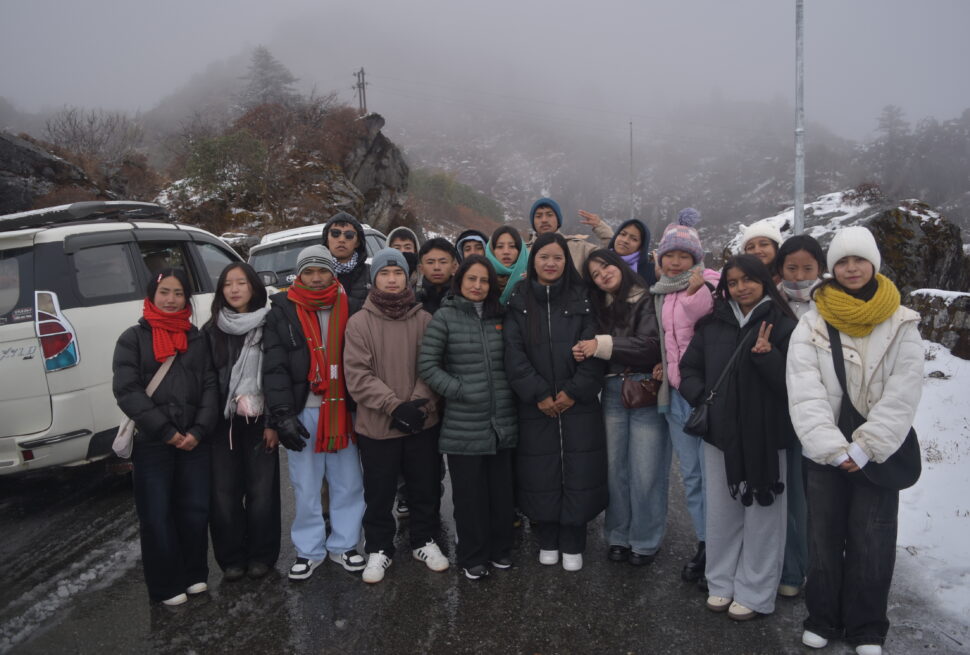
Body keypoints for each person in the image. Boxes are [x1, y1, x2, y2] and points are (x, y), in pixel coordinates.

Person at [787, 226, 922, 655]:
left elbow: (905, 390)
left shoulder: (902, 321)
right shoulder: (812, 321)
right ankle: (822, 618)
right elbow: (803, 388)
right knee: (823, 538)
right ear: (832, 269)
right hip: (825, 450)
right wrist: (831, 447)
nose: (850, 268)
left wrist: (867, 447)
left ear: (873, 263)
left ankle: (867, 627)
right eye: (842, 261)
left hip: (879, 448)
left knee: (872, 539)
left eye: (858, 259)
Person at [679, 255, 797, 621]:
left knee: (763, 514)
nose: (741, 287)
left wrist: (768, 358)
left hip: (765, 436)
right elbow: (689, 369)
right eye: (733, 281)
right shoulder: (712, 324)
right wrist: (705, 399)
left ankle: (756, 592)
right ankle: (721, 583)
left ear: (764, 280)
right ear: (724, 286)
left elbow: (794, 385)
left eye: (749, 279)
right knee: (722, 511)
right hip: (721, 433)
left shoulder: (784, 325)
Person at [112, 268, 218, 605]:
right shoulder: (132, 338)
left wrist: (199, 430)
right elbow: (127, 391)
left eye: (178, 293)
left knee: (195, 509)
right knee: (156, 514)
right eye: (165, 293)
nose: (171, 300)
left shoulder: (197, 337)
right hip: (154, 441)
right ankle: (166, 584)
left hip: (194, 441)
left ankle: (194, 575)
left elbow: (210, 386)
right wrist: (168, 431)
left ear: (187, 298)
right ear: (152, 296)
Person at [344, 248, 449, 583]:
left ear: (408, 276)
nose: (392, 280)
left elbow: (434, 367)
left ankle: (425, 540)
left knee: (425, 487)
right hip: (378, 426)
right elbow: (358, 376)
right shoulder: (359, 322)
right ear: (374, 279)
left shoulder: (424, 320)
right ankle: (379, 548)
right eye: (385, 274)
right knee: (378, 491)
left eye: (398, 273)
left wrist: (417, 405)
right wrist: (394, 406)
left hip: (421, 422)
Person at [504, 232, 607, 571]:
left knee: (580, 467)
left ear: (566, 261)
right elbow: (513, 354)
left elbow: (594, 351)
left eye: (558, 257)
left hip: (577, 403)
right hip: (536, 404)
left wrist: (573, 392)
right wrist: (539, 394)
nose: (550, 263)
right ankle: (547, 536)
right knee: (539, 468)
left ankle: (574, 538)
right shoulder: (519, 298)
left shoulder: (583, 297)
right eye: (544, 257)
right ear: (533, 261)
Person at [263, 246, 366, 581]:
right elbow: (274, 366)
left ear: (332, 272)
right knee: (305, 484)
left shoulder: (351, 304)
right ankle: (309, 550)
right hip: (303, 409)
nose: (317, 277)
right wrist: (282, 415)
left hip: (341, 408)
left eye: (322, 270)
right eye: (309, 272)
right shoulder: (282, 309)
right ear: (299, 274)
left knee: (347, 481)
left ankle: (346, 545)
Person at [418, 255, 518, 580]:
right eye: (471, 279)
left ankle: (501, 549)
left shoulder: (500, 316)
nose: (477, 286)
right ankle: (472, 556)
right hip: (463, 423)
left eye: (484, 280)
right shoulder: (445, 317)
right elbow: (428, 365)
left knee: (502, 494)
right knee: (470, 497)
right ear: (459, 281)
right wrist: (458, 388)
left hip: (501, 420)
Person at [573, 249, 663, 566]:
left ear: (620, 264)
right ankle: (618, 536)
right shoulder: (599, 307)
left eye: (605, 267)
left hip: (644, 388)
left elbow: (651, 345)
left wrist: (603, 345)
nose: (603, 275)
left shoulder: (645, 297)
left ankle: (645, 540)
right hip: (612, 388)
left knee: (646, 469)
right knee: (615, 470)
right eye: (595, 275)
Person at [649, 211, 719, 585]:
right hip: (676, 394)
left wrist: (693, 291)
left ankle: (722, 545)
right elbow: (667, 341)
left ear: (696, 258)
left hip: (705, 395)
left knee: (713, 476)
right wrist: (662, 365)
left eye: (683, 255)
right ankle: (706, 543)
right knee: (691, 476)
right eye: (669, 255)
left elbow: (701, 317)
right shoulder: (660, 292)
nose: (676, 262)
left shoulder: (709, 284)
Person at [204, 262, 280, 582]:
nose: (234, 289)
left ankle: (262, 555)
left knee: (263, 491)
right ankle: (231, 557)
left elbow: (279, 376)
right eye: (228, 284)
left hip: (261, 419)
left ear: (254, 287)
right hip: (223, 423)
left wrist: (274, 421)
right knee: (224, 493)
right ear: (221, 291)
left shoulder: (270, 324)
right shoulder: (210, 331)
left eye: (241, 283)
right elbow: (204, 380)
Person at [773, 234, 825, 598]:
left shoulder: (832, 303)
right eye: (792, 268)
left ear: (821, 268)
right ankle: (792, 570)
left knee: (823, 497)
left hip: (825, 414)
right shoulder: (771, 303)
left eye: (807, 268)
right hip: (781, 412)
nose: (799, 275)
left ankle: (824, 571)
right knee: (792, 497)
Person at [529, 198, 614, 273]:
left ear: (558, 220)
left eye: (549, 215)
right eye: (538, 216)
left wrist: (600, 226)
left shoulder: (579, 247)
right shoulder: (523, 251)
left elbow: (612, 254)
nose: (544, 220)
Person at [323, 212, 371, 315]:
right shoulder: (316, 274)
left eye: (349, 235)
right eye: (335, 233)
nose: (341, 240)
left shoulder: (372, 274)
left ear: (358, 242)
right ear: (327, 239)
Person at [607, 216, 657, 286]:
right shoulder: (602, 263)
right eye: (623, 234)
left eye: (634, 239)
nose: (625, 240)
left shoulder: (651, 271)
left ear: (641, 246)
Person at [485, 225, 529, 305]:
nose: (506, 252)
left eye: (512, 246)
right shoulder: (482, 279)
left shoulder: (532, 278)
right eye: (500, 246)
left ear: (520, 251)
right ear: (491, 251)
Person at [415, 237, 459, 315]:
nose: (437, 267)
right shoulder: (413, 302)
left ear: (454, 267)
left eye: (443, 262)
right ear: (421, 269)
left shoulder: (463, 300)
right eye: (430, 262)